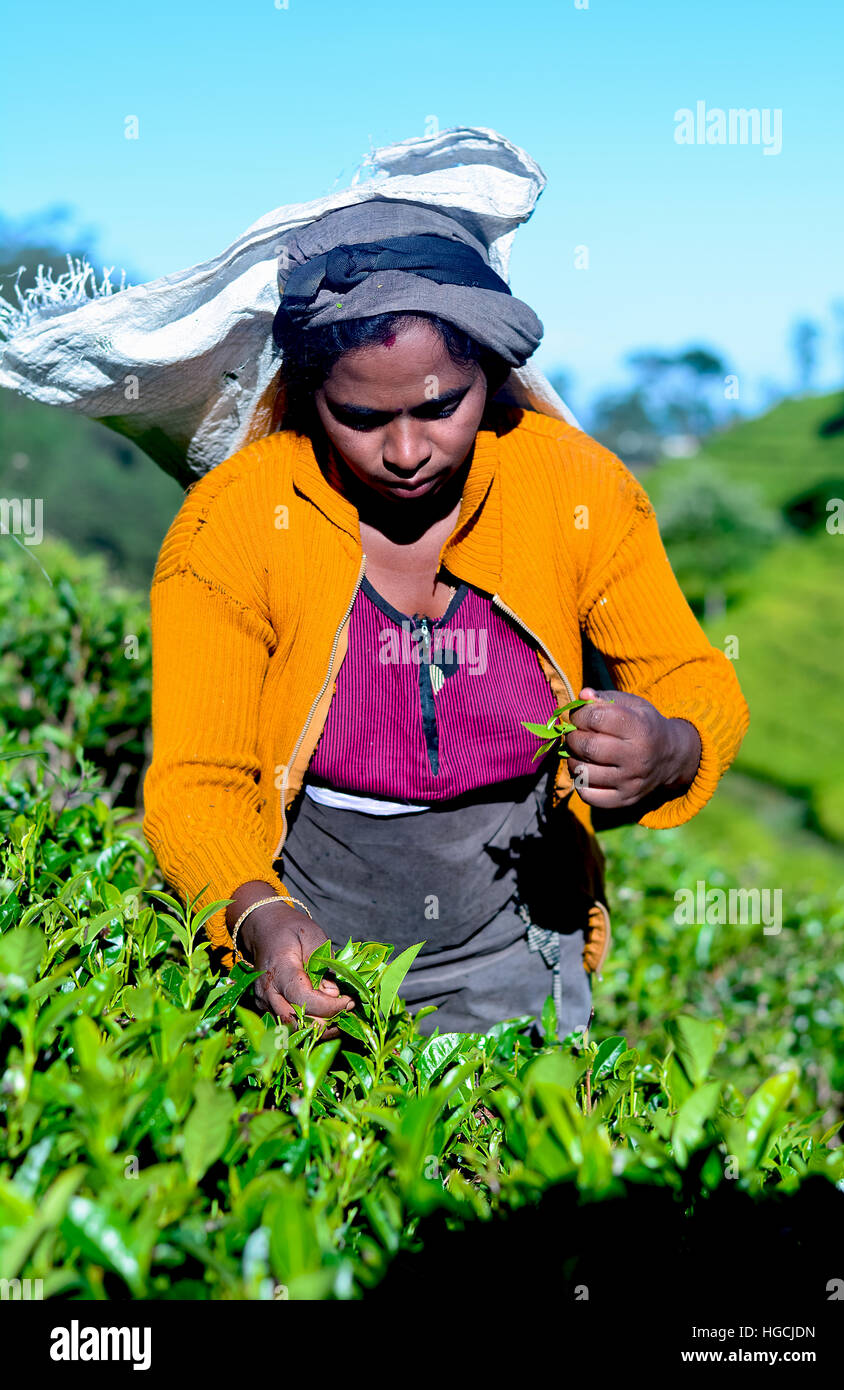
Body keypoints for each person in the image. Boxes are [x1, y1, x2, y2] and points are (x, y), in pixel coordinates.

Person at [142, 200, 749, 1042]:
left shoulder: (576, 490)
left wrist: (671, 747)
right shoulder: (237, 524)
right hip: (314, 942)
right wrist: (256, 918)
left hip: (520, 939)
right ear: (306, 393)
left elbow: (693, 676)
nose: (404, 452)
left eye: (440, 408)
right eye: (359, 417)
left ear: (493, 380)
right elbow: (194, 785)